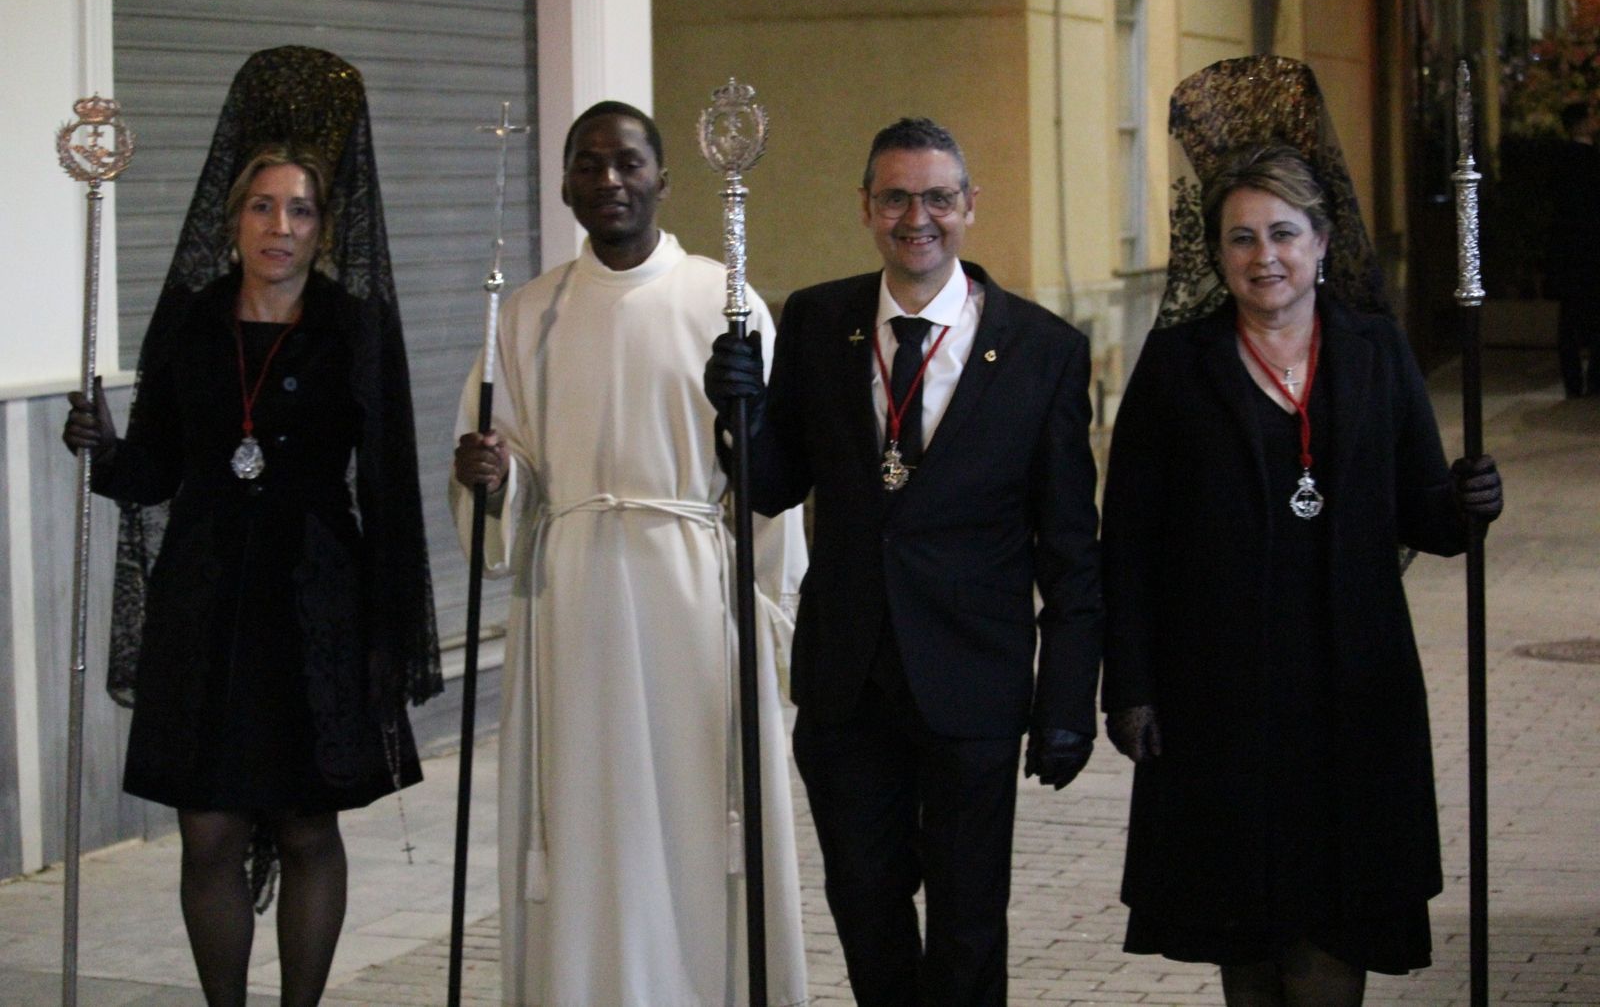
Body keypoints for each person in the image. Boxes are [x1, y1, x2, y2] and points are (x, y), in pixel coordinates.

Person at [1100, 56, 1504, 1007]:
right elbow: (1129, 538)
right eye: (1241, 238)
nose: (1263, 256)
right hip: (1219, 697)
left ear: (1323, 241)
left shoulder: (1373, 352)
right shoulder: (1176, 364)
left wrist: (1467, 503)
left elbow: (1421, 516)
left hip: (1351, 694)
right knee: (1246, 937)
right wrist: (1132, 684)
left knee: (1333, 932)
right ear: (1217, 250)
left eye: (1283, 233)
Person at [62, 46, 442, 1007]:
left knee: (310, 826)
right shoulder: (190, 323)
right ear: (233, 218)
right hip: (206, 600)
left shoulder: (352, 327)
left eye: (301, 209)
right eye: (263, 206)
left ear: (326, 225)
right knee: (211, 832)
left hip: (315, 601)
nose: (281, 227)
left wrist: (392, 631)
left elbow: (390, 484)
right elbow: (153, 468)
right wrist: (101, 450)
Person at [704, 116, 1104, 1006]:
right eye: (895, 198)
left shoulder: (1042, 351)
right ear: (866, 208)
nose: (915, 217)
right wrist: (735, 412)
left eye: (936, 197)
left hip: (973, 681)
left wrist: (1068, 698)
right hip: (848, 682)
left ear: (969, 207)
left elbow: (1071, 548)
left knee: (967, 927)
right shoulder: (818, 321)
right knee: (866, 908)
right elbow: (771, 488)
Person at [450, 101, 809, 1007]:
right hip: (574, 601)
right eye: (588, 164)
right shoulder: (530, 315)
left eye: (628, 162)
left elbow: (765, 478)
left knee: (695, 821)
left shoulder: (721, 300)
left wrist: (772, 612)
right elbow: (507, 469)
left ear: (662, 178)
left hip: (694, 599)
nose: (608, 181)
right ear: (566, 182)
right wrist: (493, 475)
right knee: (585, 819)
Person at [1546, 99, 1600, 398]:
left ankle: (1573, 383)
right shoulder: (1591, 160)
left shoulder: (1559, 160)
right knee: (1593, 318)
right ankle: (1593, 381)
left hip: (1568, 252)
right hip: (1591, 250)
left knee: (1569, 320)